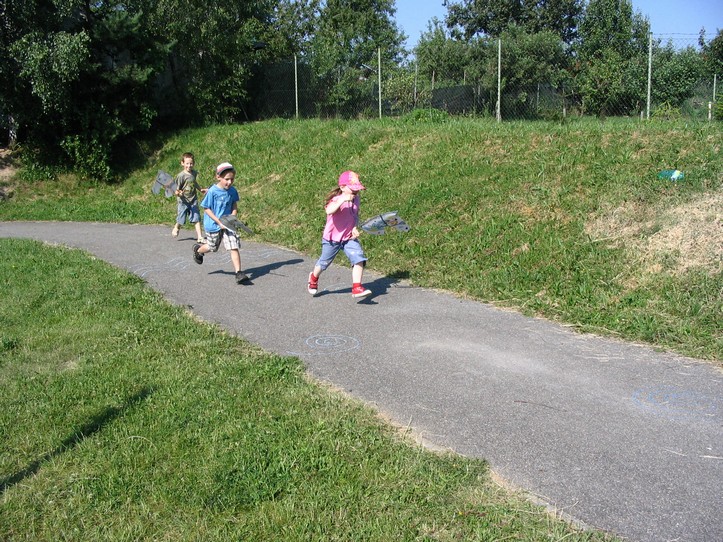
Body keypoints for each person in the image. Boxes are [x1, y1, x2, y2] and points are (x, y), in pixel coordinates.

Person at [308, 170, 372, 298]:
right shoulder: (336, 199)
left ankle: (357, 288)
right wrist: (342, 200)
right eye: (353, 189)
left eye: (357, 189)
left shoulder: (356, 199)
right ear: (342, 187)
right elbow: (329, 211)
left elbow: (355, 215)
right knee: (324, 263)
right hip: (332, 239)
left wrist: (354, 228)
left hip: (348, 238)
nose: (356, 191)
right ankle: (313, 278)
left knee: (358, 258)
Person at [192, 162, 250, 284]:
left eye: (232, 179)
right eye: (226, 179)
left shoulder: (232, 191)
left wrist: (233, 217)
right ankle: (198, 250)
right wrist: (219, 222)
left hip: (228, 223)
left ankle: (239, 273)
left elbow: (234, 204)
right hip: (213, 225)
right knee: (212, 247)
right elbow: (206, 208)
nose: (229, 182)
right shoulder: (212, 191)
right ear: (218, 177)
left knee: (233, 245)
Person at [171, 152, 206, 242]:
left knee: (196, 217)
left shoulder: (194, 173)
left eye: (191, 163)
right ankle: (177, 227)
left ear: (193, 163)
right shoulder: (181, 176)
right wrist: (178, 193)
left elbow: (194, 182)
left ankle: (200, 237)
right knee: (181, 218)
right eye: (187, 163)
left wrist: (200, 189)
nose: (189, 165)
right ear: (182, 163)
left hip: (193, 199)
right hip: (183, 201)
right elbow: (176, 189)